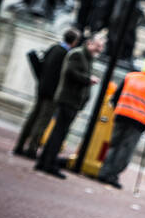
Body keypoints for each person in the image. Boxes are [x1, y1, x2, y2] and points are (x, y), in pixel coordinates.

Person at [34, 34, 104, 178]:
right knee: (59, 133)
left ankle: (44, 161)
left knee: (59, 132)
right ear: (89, 43)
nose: (100, 49)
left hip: (73, 101)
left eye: (101, 46)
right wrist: (87, 79)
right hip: (68, 99)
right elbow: (70, 72)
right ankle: (49, 163)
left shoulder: (87, 57)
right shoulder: (78, 55)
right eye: (98, 46)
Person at [13, 27, 80, 157]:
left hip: (42, 88)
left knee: (33, 117)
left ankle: (20, 145)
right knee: (42, 121)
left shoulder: (54, 48)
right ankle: (32, 149)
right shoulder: (66, 55)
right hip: (52, 93)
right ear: (74, 41)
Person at [97, 57, 145, 189]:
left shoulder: (130, 77)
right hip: (138, 122)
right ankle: (113, 176)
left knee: (113, 145)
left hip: (121, 115)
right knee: (125, 149)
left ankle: (103, 172)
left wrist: (118, 109)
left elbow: (115, 97)